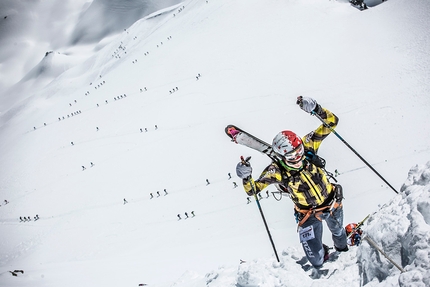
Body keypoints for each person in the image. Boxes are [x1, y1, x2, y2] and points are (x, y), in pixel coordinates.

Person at [235, 96, 348, 269]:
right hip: (308, 215)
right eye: (291, 156)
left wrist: (316, 109)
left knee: (339, 234)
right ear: (281, 157)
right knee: (316, 261)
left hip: (332, 203)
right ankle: (323, 253)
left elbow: (332, 122)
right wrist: (245, 177)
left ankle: (343, 253)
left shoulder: (308, 145)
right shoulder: (276, 171)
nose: (297, 157)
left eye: (299, 151)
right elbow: (253, 190)